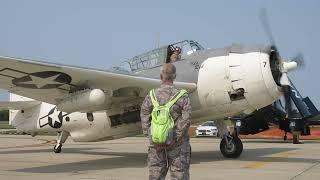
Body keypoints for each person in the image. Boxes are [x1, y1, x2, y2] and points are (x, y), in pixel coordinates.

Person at [141, 63, 192, 180]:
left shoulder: (151, 95)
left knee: (156, 176)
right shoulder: (182, 96)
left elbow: (144, 115)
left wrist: (152, 138)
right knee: (179, 175)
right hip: (178, 145)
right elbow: (186, 119)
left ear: (160, 76)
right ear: (175, 76)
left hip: (156, 144)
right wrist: (174, 139)